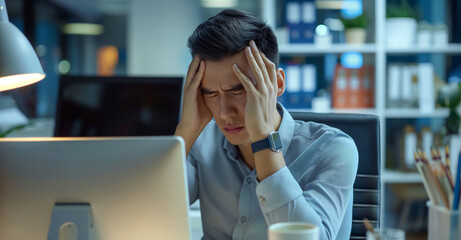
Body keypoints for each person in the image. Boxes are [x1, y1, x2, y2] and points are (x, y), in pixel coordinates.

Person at [174, 9, 358, 240]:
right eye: (210, 93)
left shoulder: (334, 149)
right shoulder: (202, 143)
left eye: (238, 89)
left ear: (278, 83)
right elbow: (149, 214)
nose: (224, 113)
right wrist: (186, 131)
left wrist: (263, 139)